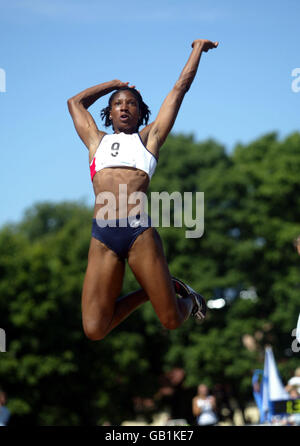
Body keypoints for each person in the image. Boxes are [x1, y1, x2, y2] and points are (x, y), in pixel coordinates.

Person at [67, 39, 218, 341]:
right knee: (95, 329)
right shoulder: (97, 142)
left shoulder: (149, 139)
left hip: (138, 233)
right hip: (103, 235)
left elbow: (179, 90)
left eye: (131, 103)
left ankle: (190, 299)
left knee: (173, 319)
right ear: (109, 113)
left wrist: (197, 50)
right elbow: (75, 103)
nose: (124, 107)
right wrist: (112, 85)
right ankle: (156, 289)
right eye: (118, 103)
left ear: (140, 113)